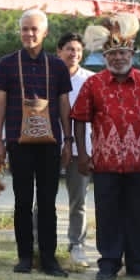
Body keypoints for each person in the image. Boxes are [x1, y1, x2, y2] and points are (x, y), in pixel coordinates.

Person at [71, 16, 140, 280]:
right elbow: (79, 120)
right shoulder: (93, 84)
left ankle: (138, 263)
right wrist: (82, 154)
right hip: (105, 163)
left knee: (139, 213)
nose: (118, 58)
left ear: (132, 53)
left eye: (122, 53)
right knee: (108, 214)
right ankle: (109, 263)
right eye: (112, 53)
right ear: (105, 56)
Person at [0, 8, 73, 275]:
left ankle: (49, 258)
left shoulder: (58, 65)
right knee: (22, 201)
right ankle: (24, 257)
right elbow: (0, 103)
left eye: (34, 29)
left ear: (45, 33)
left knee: (48, 202)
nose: (28, 34)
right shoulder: (7, 63)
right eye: (25, 29)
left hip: (50, 144)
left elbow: (63, 104)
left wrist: (68, 140)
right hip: (18, 141)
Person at [57, 32, 95, 266]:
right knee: (44, 197)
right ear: (59, 51)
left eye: (78, 50)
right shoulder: (49, 76)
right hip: (51, 144)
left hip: (82, 148)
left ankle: (77, 244)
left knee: (79, 199)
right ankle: (41, 243)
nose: (74, 54)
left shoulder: (91, 80)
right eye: (70, 49)